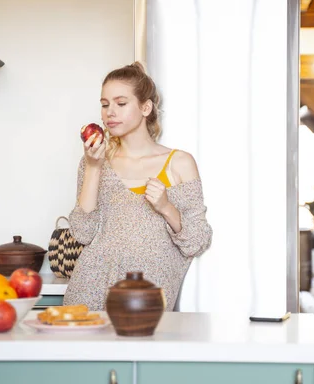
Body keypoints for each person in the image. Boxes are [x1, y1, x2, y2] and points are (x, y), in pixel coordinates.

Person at [63, 62, 213, 311]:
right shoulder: (95, 159)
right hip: (89, 291)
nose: (110, 112)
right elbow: (83, 233)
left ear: (146, 107)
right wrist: (93, 167)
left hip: (147, 300)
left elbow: (197, 241)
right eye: (104, 104)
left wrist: (166, 207)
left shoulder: (179, 163)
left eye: (121, 104)